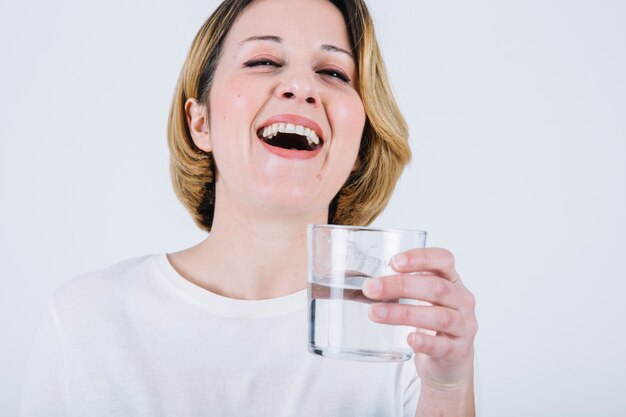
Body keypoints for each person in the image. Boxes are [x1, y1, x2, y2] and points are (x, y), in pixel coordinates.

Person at [19, 0, 478, 416]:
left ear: (359, 142)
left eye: (334, 73)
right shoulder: (84, 320)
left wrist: (448, 388)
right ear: (200, 122)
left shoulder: (403, 332)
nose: (300, 86)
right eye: (264, 61)